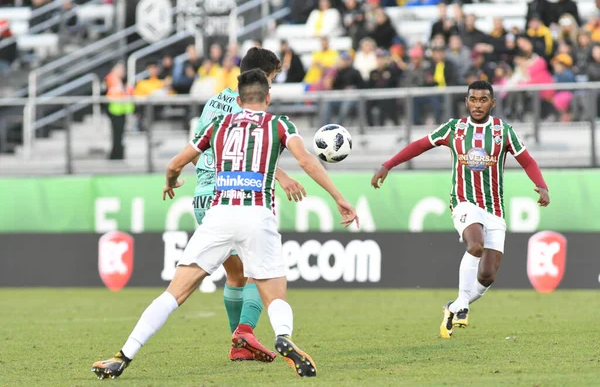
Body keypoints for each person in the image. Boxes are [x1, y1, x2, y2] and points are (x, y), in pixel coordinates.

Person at [91, 68, 359, 379]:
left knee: (172, 294)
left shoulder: (219, 124)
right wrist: (339, 197)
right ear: (268, 97)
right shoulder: (279, 124)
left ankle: (122, 356)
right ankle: (283, 336)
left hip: (219, 215)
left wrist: (171, 180)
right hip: (257, 214)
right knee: (274, 295)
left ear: (239, 97)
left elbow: (175, 163)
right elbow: (307, 161)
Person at [371, 81, 550, 339]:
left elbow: (527, 160)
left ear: (492, 103)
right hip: (464, 203)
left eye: (483, 99)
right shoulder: (454, 129)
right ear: (467, 102)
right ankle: (463, 306)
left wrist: (541, 185)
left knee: (487, 276)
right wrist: (388, 165)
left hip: (494, 209)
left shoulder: (503, 131)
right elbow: (420, 145)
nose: (478, 104)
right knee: (474, 245)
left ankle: (453, 306)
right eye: (473, 99)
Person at [189, 47, 306, 363]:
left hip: (202, 193)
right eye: (273, 78)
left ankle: (240, 344)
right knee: (259, 273)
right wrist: (281, 177)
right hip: (234, 193)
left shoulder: (216, 101)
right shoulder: (252, 111)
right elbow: (248, 155)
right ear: (263, 77)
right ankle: (244, 333)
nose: (273, 86)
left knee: (236, 276)